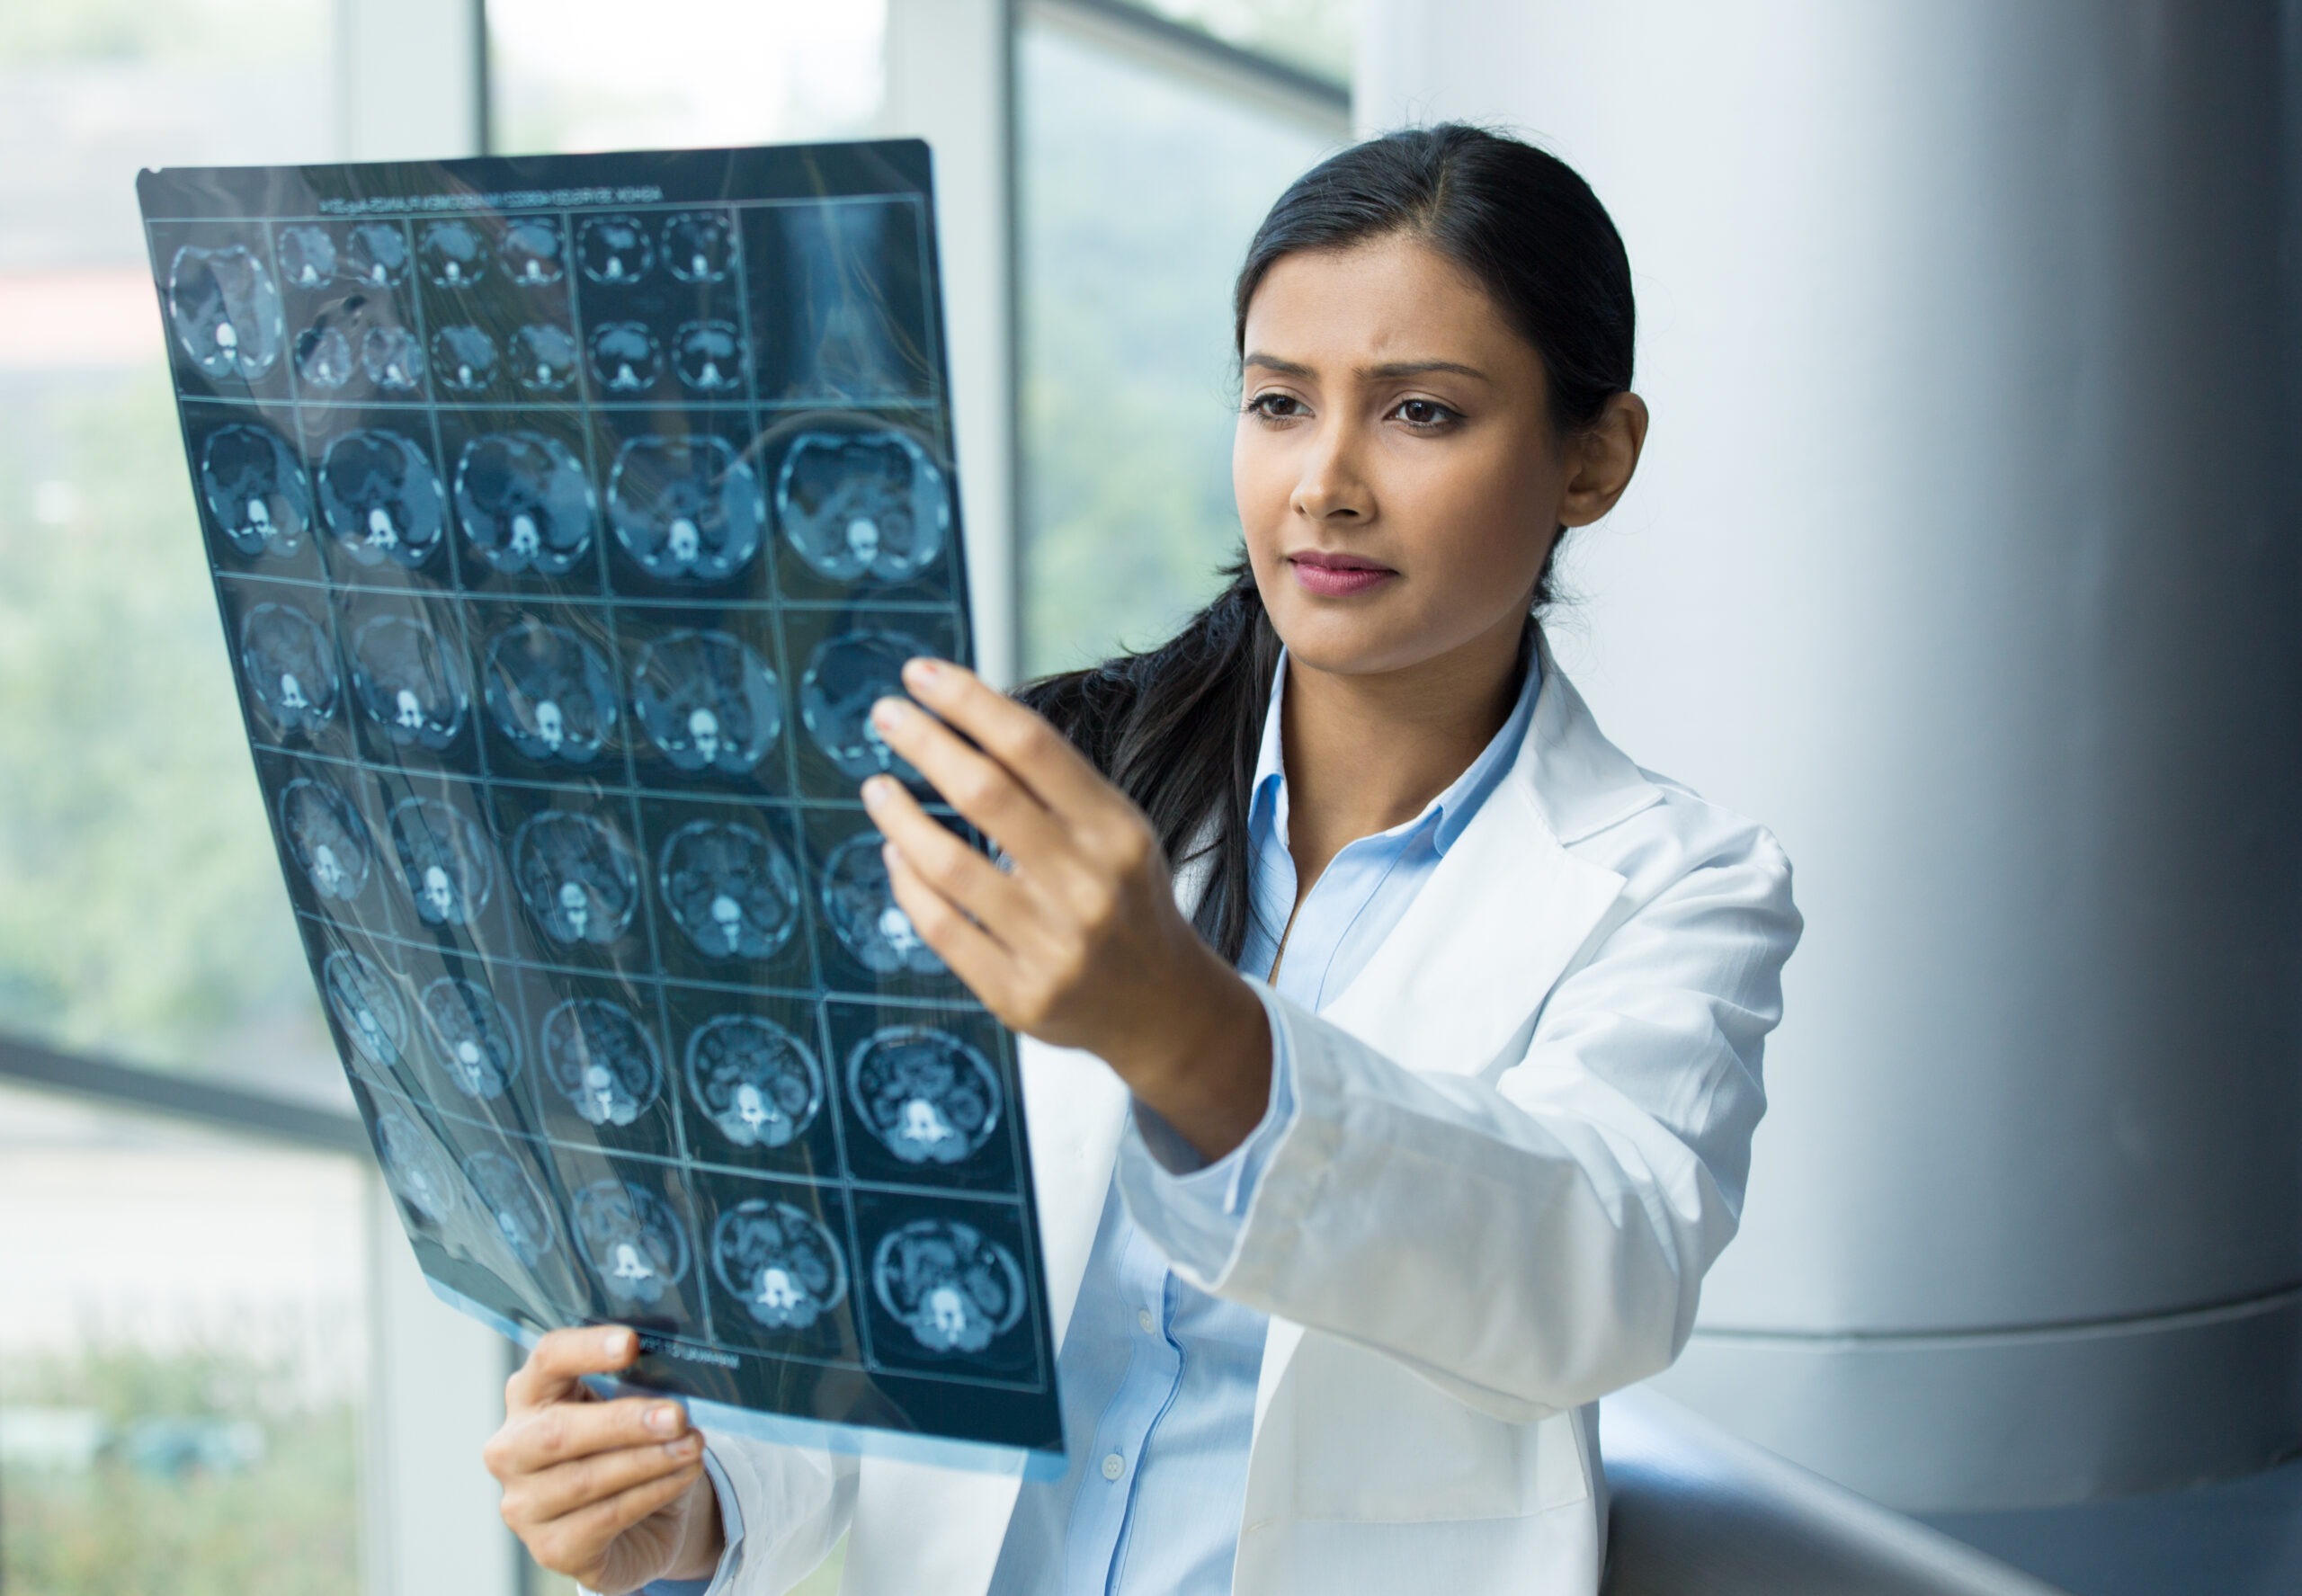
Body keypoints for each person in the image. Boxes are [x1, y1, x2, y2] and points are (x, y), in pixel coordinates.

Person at [481, 123, 1802, 1596]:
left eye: (1422, 413)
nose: (1328, 483)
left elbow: (1589, 1276)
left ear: (1594, 457)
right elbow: (894, 1325)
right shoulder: (1055, 786)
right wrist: (698, 1499)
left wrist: (1182, 1028)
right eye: (1279, 403)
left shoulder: (1683, 887)